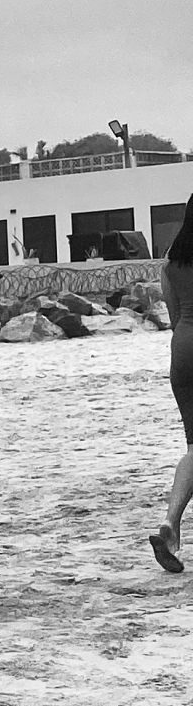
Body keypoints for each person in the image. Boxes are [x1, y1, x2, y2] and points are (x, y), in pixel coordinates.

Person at [150, 193, 193, 574]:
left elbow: (176, 314)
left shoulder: (170, 265)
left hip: (182, 350)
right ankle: (171, 526)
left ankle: (171, 525)